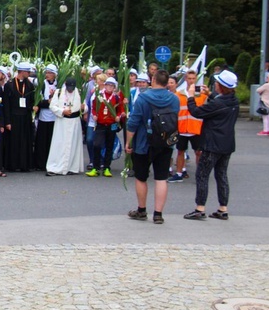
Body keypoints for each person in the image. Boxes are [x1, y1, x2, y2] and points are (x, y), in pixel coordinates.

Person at [183, 70, 240, 221]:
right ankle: (223, 208)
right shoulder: (234, 100)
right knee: (221, 175)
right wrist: (210, 95)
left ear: (221, 86)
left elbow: (196, 112)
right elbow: (219, 104)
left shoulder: (218, 103)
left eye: (217, 82)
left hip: (212, 144)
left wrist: (190, 97)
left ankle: (200, 208)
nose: (214, 84)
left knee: (202, 174)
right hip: (227, 143)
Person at [125, 69, 179, 225]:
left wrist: (129, 142)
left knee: (141, 177)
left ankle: (142, 210)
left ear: (153, 80)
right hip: (165, 142)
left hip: (144, 142)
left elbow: (133, 122)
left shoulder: (143, 98)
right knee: (161, 178)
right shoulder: (174, 99)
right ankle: (158, 214)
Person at [169, 70, 208, 182]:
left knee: (199, 152)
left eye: (193, 78)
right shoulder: (178, 94)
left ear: (196, 79)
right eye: (189, 78)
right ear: (185, 79)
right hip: (182, 128)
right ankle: (179, 173)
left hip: (196, 128)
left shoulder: (201, 94)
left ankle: (200, 174)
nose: (191, 80)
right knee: (180, 151)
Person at [87, 76, 124, 177]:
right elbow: (94, 107)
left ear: (114, 87)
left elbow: (121, 110)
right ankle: (95, 167)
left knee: (109, 146)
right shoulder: (99, 96)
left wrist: (118, 117)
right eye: (107, 85)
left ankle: (107, 167)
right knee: (97, 145)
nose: (109, 87)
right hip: (100, 124)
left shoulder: (116, 97)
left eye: (111, 86)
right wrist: (94, 115)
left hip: (111, 125)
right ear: (105, 85)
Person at [2, 62, 36, 172]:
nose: (29, 74)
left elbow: (31, 101)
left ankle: (24, 164)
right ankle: (12, 164)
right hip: (13, 117)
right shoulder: (9, 85)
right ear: (22, 72)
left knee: (25, 141)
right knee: (13, 141)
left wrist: (33, 107)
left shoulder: (30, 85)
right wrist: (7, 121)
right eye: (28, 72)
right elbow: (6, 104)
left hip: (25, 117)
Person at [46, 77, 83, 176]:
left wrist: (84, 108)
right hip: (62, 122)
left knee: (73, 144)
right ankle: (55, 167)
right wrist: (62, 111)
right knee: (59, 144)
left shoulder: (79, 93)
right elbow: (52, 106)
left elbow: (85, 107)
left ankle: (72, 167)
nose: (70, 90)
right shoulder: (59, 92)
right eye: (68, 87)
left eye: (72, 87)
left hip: (75, 122)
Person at [34, 64, 58, 171]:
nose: (47, 75)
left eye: (50, 73)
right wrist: (47, 102)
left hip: (55, 117)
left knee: (52, 141)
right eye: (46, 73)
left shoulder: (59, 85)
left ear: (55, 75)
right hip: (44, 116)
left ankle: (52, 162)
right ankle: (40, 163)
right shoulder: (42, 85)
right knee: (42, 141)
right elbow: (37, 101)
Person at [256, 71, 269, 135]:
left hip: (265, 101)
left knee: (265, 117)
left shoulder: (267, 85)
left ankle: (265, 130)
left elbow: (258, 90)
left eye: (268, 77)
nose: (267, 78)